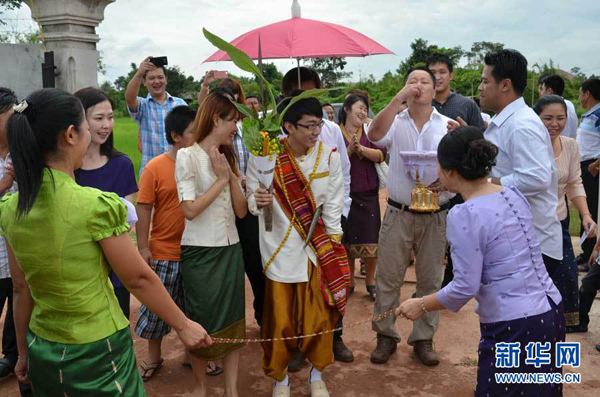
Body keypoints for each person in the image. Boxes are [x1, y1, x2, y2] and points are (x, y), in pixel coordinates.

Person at [1, 88, 210, 396]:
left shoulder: (10, 209)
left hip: (43, 345)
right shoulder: (98, 206)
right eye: (87, 124)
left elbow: (21, 288)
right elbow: (137, 278)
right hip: (98, 350)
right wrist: (183, 325)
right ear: (71, 135)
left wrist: (22, 353)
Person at [397, 126, 565, 397]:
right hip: (550, 310)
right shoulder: (510, 192)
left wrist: (421, 304)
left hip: (514, 324)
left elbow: (464, 287)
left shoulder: (465, 213)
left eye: (438, 167)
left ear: (450, 171)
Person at [246, 96, 348, 397]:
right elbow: (252, 199)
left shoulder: (328, 156)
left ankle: (317, 375)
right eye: (309, 126)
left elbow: (333, 204)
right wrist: (258, 201)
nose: (316, 132)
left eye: (319, 124)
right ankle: (281, 380)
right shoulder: (265, 155)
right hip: (278, 249)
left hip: (315, 251)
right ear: (288, 127)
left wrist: (333, 243)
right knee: (281, 321)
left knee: (320, 316)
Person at [367, 67, 454, 366]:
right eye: (412, 81)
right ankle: (385, 336)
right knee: (387, 277)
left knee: (431, 279)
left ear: (435, 89)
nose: (418, 85)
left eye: (425, 81)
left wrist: (448, 180)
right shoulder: (395, 121)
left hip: (435, 214)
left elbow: (459, 164)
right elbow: (374, 135)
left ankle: (423, 338)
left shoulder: (446, 125)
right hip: (398, 212)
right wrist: (397, 100)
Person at [455, 49, 563, 276]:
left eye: (485, 81)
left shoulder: (521, 125)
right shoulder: (506, 120)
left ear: (505, 85)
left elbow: (536, 177)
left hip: (530, 243)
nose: (480, 88)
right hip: (516, 239)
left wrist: (488, 183)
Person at [175, 90, 247, 397]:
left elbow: (241, 211)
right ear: (216, 119)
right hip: (200, 252)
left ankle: (231, 390)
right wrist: (220, 179)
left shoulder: (227, 155)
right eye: (232, 121)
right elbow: (189, 210)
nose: (236, 128)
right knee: (199, 319)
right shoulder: (187, 155)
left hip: (231, 248)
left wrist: (229, 176)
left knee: (233, 320)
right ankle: (200, 387)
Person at [280, 67, 353, 366]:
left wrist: (338, 218)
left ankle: (335, 337)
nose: (303, 96)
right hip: (291, 228)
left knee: (331, 281)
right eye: (297, 92)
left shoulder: (329, 130)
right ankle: (298, 344)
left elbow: (343, 174)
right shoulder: (275, 135)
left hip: (328, 223)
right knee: (297, 288)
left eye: (309, 91)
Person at [134, 105, 197, 381]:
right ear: (175, 136)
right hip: (164, 252)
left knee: (194, 306)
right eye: (194, 131)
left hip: (197, 251)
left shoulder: (202, 161)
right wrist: (144, 248)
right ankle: (153, 356)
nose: (199, 136)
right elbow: (144, 207)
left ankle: (191, 354)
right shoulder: (155, 167)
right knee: (158, 308)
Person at [74, 87, 138, 320]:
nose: (106, 125)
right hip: (78, 272)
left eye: (110, 117)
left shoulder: (121, 164)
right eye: (99, 118)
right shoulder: (67, 168)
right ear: (80, 121)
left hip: (115, 269)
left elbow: (126, 221)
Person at [533, 95, 595, 332]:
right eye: (547, 118)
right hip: (527, 223)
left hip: (558, 222)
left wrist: (586, 215)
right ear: (536, 119)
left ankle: (555, 328)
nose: (554, 124)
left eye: (560, 118)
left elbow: (575, 182)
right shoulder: (528, 145)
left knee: (566, 277)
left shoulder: (570, 144)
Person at [0, 88, 32, 397]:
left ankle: (12, 357)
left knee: (19, 308)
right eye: (9, 116)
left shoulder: (25, 151)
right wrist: (6, 185)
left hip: (23, 253)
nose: (14, 123)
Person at [339, 94, 386, 299]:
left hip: (367, 192)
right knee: (345, 239)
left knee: (371, 238)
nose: (363, 112)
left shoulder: (369, 130)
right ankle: (348, 280)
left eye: (365, 109)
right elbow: (330, 159)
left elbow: (382, 154)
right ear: (347, 109)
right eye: (359, 108)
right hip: (343, 194)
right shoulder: (335, 131)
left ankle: (371, 281)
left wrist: (362, 149)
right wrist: (348, 151)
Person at [125, 56, 186, 174]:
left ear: (166, 79)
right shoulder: (142, 105)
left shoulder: (180, 104)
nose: (157, 81)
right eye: (151, 78)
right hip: (150, 172)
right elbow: (129, 98)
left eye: (160, 77)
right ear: (144, 82)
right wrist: (138, 74)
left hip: (178, 170)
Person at [574, 78, 600, 332]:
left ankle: (591, 249)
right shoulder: (590, 113)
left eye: (580, 93)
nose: (579, 97)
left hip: (593, 168)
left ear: (588, 93)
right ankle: (587, 250)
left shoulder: (599, 112)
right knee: (586, 208)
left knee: (589, 210)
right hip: (586, 166)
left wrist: (595, 165)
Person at [426, 53, 485, 130]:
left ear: (451, 75)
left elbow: (481, 138)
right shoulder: (422, 105)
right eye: (433, 73)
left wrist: (466, 133)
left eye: (442, 72)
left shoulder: (468, 105)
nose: (437, 77)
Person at [538, 74, 579, 138]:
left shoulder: (548, 108)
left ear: (549, 91)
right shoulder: (570, 104)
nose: (540, 93)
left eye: (542, 89)